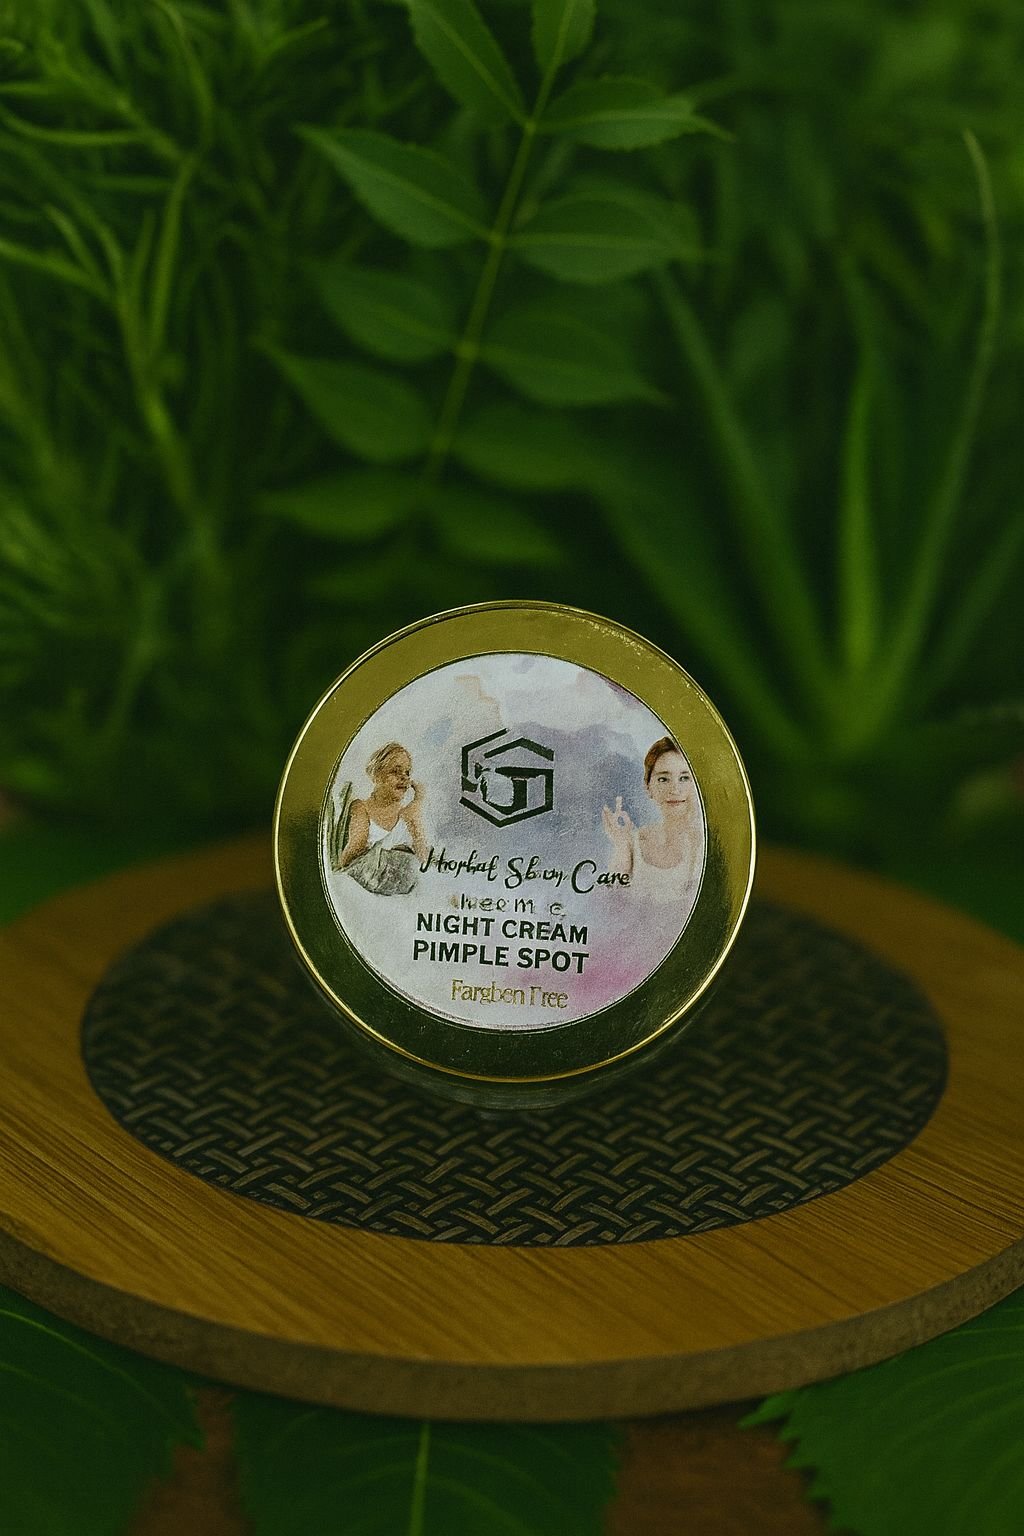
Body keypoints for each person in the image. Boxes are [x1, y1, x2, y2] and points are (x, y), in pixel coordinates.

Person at [602, 736, 703, 903]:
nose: (675, 789)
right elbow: (612, 903)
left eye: (684, 778)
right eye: (663, 779)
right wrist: (622, 846)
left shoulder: (702, 844)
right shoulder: (634, 841)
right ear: (648, 786)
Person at [333, 743, 428, 896]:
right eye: (395, 771)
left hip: (403, 890)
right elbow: (356, 847)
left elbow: (423, 858)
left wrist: (417, 806)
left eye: (407, 772)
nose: (404, 777)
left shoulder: (408, 813)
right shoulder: (361, 807)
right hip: (367, 885)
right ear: (377, 776)